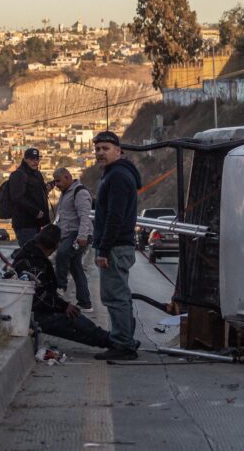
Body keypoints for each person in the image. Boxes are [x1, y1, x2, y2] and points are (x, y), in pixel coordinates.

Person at [10, 224, 115, 351]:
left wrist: (62, 305)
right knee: (73, 322)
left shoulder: (31, 255)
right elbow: (39, 297)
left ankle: (108, 340)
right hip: (33, 315)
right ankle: (110, 341)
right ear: (52, 246)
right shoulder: (34, 264)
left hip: (33, 311)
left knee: (76, 319)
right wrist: (63, 306)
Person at [92, 130, 142, 361]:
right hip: (117, 245)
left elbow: (115, 216)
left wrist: (103, 249)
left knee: (114, 296)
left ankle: (123, 344)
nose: (100, 153)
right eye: (98, 149)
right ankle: (125, 339)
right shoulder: (114, 174)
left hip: (115, 246)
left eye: (106, 149)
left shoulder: (118, 177)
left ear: (119, 151)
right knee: (118, 294)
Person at [52, 166, 94, 312]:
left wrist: (82, 236)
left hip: (78, 235)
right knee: (76, 268)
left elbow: (85, 216)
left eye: (58, 181)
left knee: (62, 254)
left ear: (68, 177)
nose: (56, 184)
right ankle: (85, 302)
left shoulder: (79, 192)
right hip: (69, 235)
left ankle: (60, 287)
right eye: (55, 182)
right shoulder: (65, 194)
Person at [8, 147, 51, 247]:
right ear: (25, 159)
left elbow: (35, 194)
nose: (35, 162)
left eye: (37, 159)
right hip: (25, 224)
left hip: (36, 224)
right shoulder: (19, 175)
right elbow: (17, 198)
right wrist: (35, 211)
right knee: (30, 252)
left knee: (35, 254)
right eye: (32, 159)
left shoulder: (36, 174)